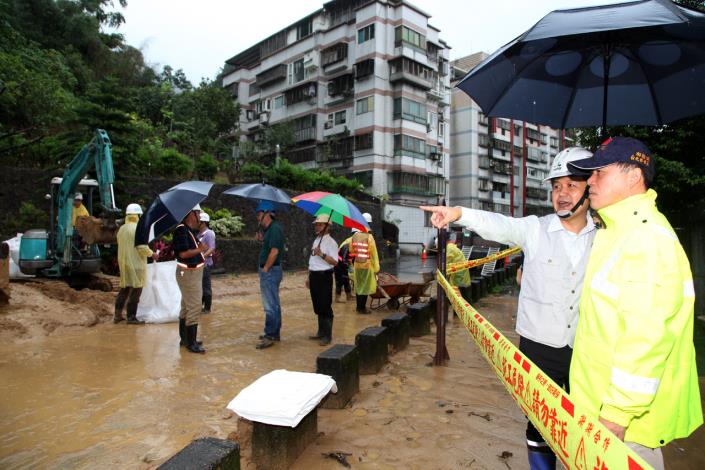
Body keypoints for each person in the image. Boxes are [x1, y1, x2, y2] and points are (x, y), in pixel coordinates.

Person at [421, 147, 596, 470]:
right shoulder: (535, 229)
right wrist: (457, 213)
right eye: (557, 186)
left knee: (587, 428)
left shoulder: (605, 237)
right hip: (540, 346)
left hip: (589, 349)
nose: (562, 194)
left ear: (591, 188)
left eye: (572, 185)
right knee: (540, 424)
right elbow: (499, 224)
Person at [567, 137, 702, 469]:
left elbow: (647, 339)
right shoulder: (615, 232)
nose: (590, 181)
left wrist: (616, 415)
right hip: (595, 409)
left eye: (600, 173)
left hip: (622, 427)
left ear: (633, 176)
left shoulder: (647, 241)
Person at [173, 204, 208, 354]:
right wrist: (200, 250)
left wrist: (198, 248)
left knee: (186, 306)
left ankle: (185, 339)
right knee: (194, 306)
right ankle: (191, 343)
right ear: (191, 214)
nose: (200, 215)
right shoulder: (181, 230)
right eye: (198, 212)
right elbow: (183, 254)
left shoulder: (187, 230)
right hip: (189, 273)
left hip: (190, 273)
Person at [114, 203, 153, 325]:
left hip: (124, 264)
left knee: (124, 289)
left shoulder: (121, 229)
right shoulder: (138, 229)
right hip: (136, 265)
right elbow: (142, 247)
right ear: (138, 215)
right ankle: (131, 317)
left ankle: (117, 315)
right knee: (136, 291)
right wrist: (152, 254)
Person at [255, 201, 285, 350]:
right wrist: (262, 239)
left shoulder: (274, 229)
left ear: (267, 214)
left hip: (270, 271)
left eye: (259, 214)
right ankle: (274, 332)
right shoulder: (271, 230)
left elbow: (274, 252)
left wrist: (266, 268)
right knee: (274, 303)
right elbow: (270, 247)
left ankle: (270, 334)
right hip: (272, 270)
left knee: (269, 305)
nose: (257, 217)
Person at [306, 214, 338, 346]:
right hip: (314, 275)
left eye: (320, 224)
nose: (317, 226)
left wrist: (322, 254)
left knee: (325, 305)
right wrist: (308, 276)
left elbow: (335, 262)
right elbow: (312, 259)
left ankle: (327, 335)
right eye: (316, 224)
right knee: (317, 304)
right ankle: (320, 332)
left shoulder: (332, 243)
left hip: (324, 276)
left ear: (327, 226)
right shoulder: (316, 240)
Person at [349, 212, 380, 314]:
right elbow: (373, 254)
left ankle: (359, 308)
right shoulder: (369, 237)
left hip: (357, 265)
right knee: (365, 288)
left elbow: (351, 252)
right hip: (366, 265)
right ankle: (362, 309)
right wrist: (376, 269)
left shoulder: (354, 236)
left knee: (358, 287)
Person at [198, 212, 216, 313]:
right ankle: (201, 306)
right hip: (200, 264)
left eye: (199, 221)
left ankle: (207, 308)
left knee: (205, 286)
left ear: (203, 222)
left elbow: (212, 248)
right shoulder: (199, 234)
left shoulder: (209, 233)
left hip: (206, 264)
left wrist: (202, 256)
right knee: (200, 286)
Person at [334, 237, 353, 303]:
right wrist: (349, 266)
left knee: (346, 281)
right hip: (338, 266)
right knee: (339, 282)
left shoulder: (354, 248)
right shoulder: (347, 247)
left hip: (344, 266)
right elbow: (344, 259)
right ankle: (337, 298)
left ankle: (349, 296)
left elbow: (351, 258)